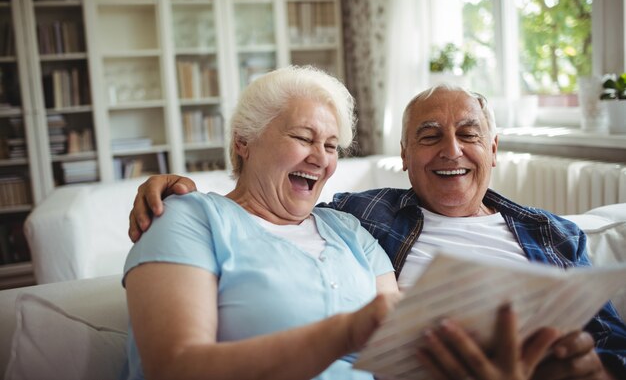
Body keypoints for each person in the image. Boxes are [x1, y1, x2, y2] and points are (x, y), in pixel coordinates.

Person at [128, 84, 626, 379]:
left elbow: (613, 347)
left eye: (469, 134)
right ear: (403, 159)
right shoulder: (370, 216)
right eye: (429, 137)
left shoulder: (555, 235)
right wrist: (179, 192)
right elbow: (264, 211)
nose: (451, 150)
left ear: (494, 148)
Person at [121, 65, 401, 380]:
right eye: (302, 137)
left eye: (331, 146)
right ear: (244, 141)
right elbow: (174, 368)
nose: (320, 158)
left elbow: (398, 353)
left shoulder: (350, 232)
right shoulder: (188, 219)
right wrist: (344, 333)